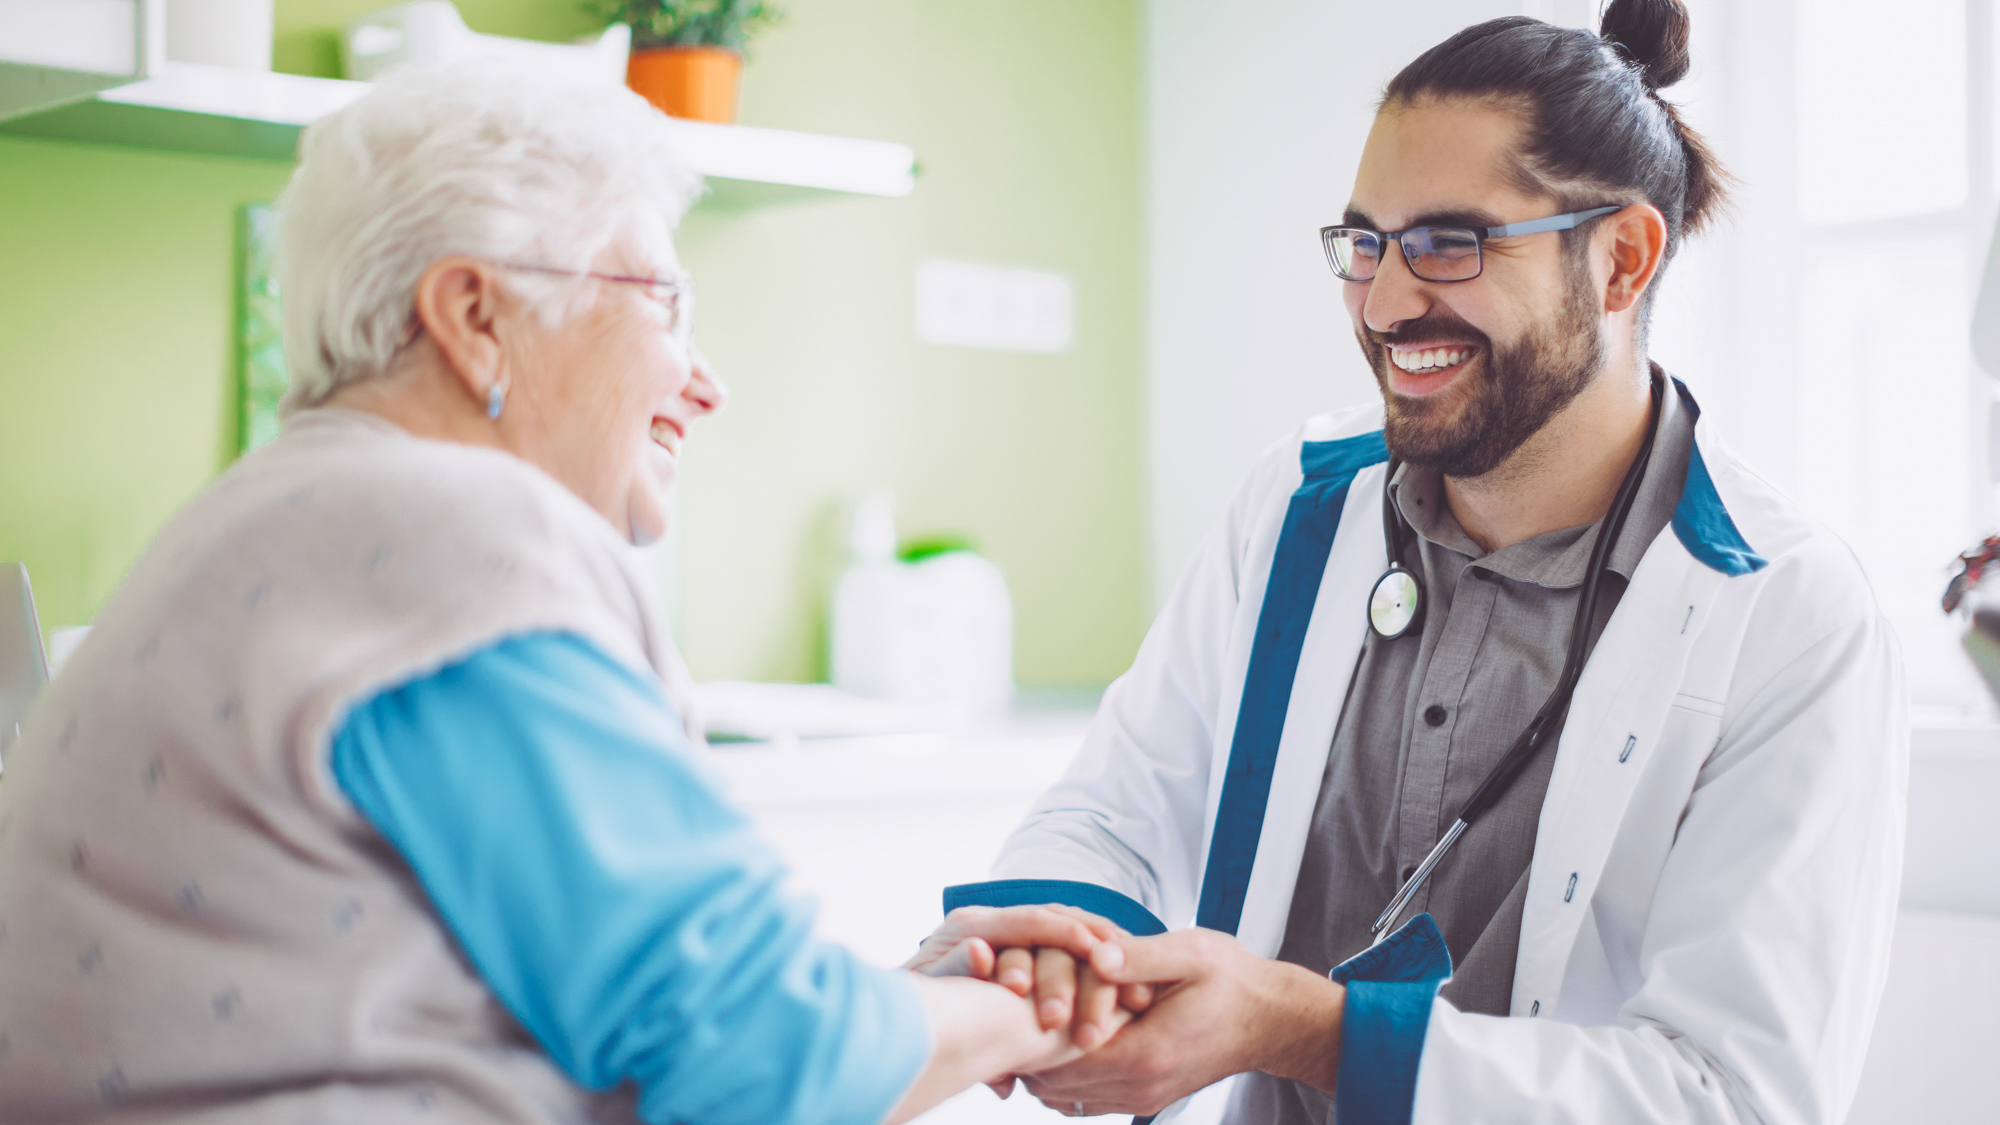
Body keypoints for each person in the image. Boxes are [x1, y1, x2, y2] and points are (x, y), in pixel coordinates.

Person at [0, 63, 1137, 1124]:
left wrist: (916, 992)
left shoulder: (286, 517)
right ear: (474, 316)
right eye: (664, 303)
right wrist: (1027, 1014)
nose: (707, 383)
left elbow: (667, 1033)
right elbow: (754, 1065)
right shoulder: (448, 531)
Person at [929, 3, 1909, 1123]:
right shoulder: (1298, 506)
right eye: (1365, 244)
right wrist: (1048, 951)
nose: (1386, 303)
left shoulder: (1786, 611)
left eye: (1450, 243)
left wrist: (1307, 1032)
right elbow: (1118, 808)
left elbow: (1732, 1097)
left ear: (1621, 261)